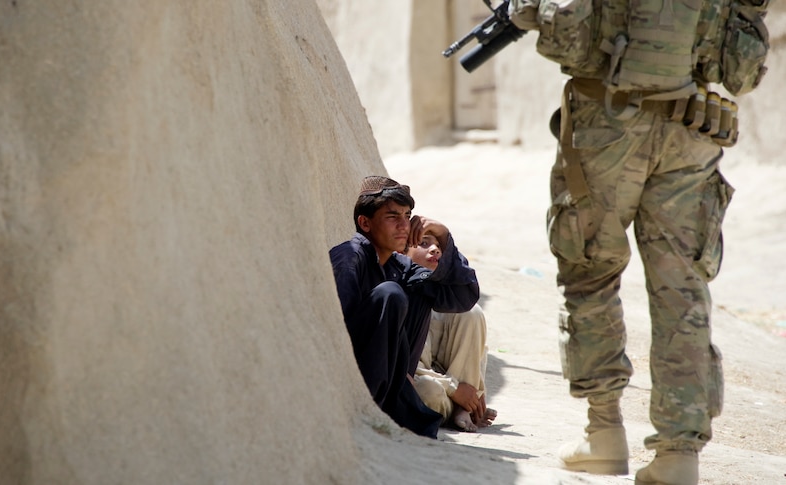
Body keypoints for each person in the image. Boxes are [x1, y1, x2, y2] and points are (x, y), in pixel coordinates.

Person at [504, 0, 767, 482]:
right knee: (682, 290)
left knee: (590, 270)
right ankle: (678, 455)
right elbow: (742, 62)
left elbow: (558, 26)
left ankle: (603, 433)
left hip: (609, 126)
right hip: (692, 126)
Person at [328, 175, 480, 438]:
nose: (403, 226)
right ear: (365, 223)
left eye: (407, 215)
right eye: (392, 217)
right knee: (391, 294)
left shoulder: (400, 267)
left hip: (392, 381)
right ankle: (374, 405)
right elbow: (337, 333)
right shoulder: (349, 258)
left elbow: (464, 296)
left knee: (419, 289)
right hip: (350, 380)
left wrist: (442, 232)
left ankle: (399, 391)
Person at [406, 233, 497, 432]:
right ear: (403, 250)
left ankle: (465, 407)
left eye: (438, 246)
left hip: (452, 376)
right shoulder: (398, 293)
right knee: (428, 391)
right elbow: (403, 368)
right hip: (422, 381)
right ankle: (456, 407)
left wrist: (474, 391)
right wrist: (454, 390)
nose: (435, 249)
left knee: (471, 313)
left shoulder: (444, 296)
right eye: (423, 243)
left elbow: (476, 352)